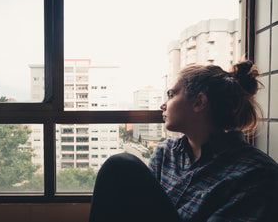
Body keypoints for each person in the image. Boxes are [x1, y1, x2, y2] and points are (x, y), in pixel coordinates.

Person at [89, 61, 278, 222]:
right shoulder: (166, 153)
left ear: (199, 102)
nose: (163, 105)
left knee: (121, 164)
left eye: (171, 95)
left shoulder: (256, 173)